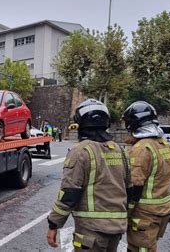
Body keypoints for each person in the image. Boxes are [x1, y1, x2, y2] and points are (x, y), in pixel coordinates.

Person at [47, 99, 129, 251]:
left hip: (91, 231)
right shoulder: (119, 150)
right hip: (117, 229)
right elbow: (128, 186)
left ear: (80, 123)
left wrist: (54, 224)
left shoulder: (81, 151)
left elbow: (69, 193)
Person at [122, 101, 170, 252]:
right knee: (150, 246)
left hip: (144, 213)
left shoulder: (141, 149)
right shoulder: (165, 145)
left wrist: (126, 213)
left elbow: (135, 186)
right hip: (162, 210)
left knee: (139, 249)